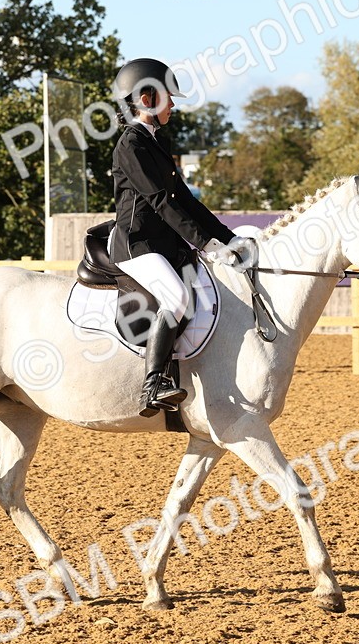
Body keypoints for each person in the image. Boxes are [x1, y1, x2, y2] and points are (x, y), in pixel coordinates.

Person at [109, 58, 256, 416]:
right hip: (137, 244)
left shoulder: (157, 141)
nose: (173, 105)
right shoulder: (131, 145)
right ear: (146, 99)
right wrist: (205, 243)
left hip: (163, 244)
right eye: (168, 98)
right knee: (175, 298)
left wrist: (228, 238)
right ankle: (153, 385)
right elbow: (161, 201)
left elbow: (186, 201)